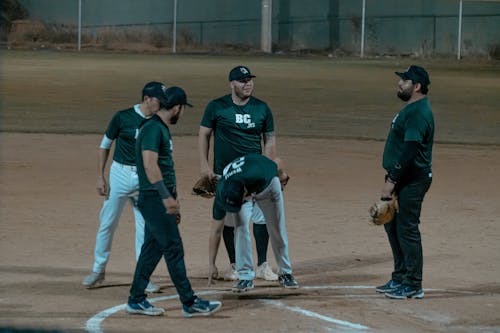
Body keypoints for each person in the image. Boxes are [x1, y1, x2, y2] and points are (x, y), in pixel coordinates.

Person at [126, 86, 222, 317]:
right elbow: (150, 164)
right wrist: (166, 197)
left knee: (153, 248)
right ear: (176, 107)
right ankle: (189, 302)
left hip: (156, 197)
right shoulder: (153, 128)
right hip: (154, 197)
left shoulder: (157, 128)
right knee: (173, 248)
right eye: (182, 109)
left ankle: (136, 298)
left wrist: (172, 197)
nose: (182, 114)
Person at [82, 81, 170, 293]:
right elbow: (104, 146)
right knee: (107, 223)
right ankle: (98, 270)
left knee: (145, 230)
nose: (163, 104)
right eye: (160, 99)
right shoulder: (122, 117)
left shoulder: (160, 123)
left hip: (145, 179)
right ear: (147, 98)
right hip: (119, 174)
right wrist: (100, 177)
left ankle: (143, 277)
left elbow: (165, 157)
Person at [199, 65, 278, 282]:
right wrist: (204, 165)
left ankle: (262, 265)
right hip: (227, 175)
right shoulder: (217, 107)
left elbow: (269, 139)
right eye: (243, 81)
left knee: (262, 218)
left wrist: (270, 168)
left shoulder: (262, 108)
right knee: (230, 220)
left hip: (255, 175)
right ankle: (234, 265)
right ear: (232, 84)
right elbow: (204, 134)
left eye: (250, 80)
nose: (248, 84)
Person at [375, 65, 434, 300]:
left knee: (407, 229)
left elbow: (410, 151)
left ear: (417, 86)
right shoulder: (411, 108)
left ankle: (413, 284)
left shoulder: (419, 112)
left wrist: (391, 182)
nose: (400, 83)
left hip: (412, 179)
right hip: (402, 178)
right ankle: (400, 276)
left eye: (405, 80)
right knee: (392, 225)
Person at [209, 153, 299, 292]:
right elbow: (215, 231)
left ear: (244, 192)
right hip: (242, 186)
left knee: (276, 227)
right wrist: (211, 264)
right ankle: (245, 276)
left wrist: (282, 175)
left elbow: (277, 162)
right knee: (240, 227)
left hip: (267, 187)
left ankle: (285, 272)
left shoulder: (262, 173)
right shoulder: (223, 193)